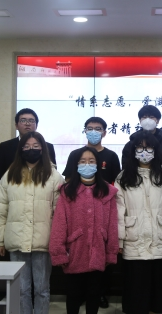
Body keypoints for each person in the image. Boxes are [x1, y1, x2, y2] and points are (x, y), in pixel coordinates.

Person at [0, 131, 64, 314]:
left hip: (43, 242)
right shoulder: (10, 175)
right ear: (21, 150)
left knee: (42, 290)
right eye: (27, 146)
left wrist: (58, 241)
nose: (31, 150)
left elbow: (60, 214)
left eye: (36, 146)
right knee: (21, 290)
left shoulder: (54, 176)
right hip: (16, 240)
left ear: (43, 149)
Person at [116, 131, 162, 314]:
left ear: (156, 150)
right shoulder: (123, 177)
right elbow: (118, 212)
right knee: (136, 297)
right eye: (140, 147)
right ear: (133, 150)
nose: (144, 151)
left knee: (158, 298)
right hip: (133, 242)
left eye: (149, 147)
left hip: (159, 241)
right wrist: (119, 240)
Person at [50, 147, 119, 314]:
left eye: (91, 161)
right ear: (76, 164)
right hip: (74, 251)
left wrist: (111, 251)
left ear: (98, 164)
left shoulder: (107, 191)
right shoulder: (67, 191)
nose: (87, 164)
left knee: (94, 295)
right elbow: (59, 224)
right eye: (82, 161)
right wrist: (58, 252)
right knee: (73, 295)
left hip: (98, 251)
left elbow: (112, 225)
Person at [61, 116, 121, 308]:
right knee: (75, 286)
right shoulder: (75, 154)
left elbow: (116, 183)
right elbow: (68, 180)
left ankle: (100, 295)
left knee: (98, 275)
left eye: (98, 128)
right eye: (90, 128)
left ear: (104, 132)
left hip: (101, 210)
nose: (94, 132)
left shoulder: (111, 156)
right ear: (85, 131)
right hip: (78, 214)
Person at [121, 105, 162, 185]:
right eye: (144, 117)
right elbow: (126, 169)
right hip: (135, 186)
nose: (148, 120)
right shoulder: (130, 145)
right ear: (140, 120)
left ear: (158, 120)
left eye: (151, 117)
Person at [0, 108, 56, 177]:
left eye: (31, 121)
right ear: (16, 126)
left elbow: (52, 173)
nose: (27, 124)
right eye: (23, 120)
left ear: (36, 125)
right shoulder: (5, 147)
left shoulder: (48, 147)